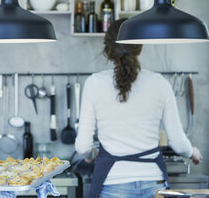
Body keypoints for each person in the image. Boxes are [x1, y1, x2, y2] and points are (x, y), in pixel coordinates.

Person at [75, 18, 203, 198]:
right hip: (154, 184)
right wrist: (192, 152)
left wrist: (91, 155)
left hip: (112, 184)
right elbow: (178, 142)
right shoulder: (160, 84)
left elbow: (82, 146)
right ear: (140, 47)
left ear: (108, 48)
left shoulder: (94, 84)